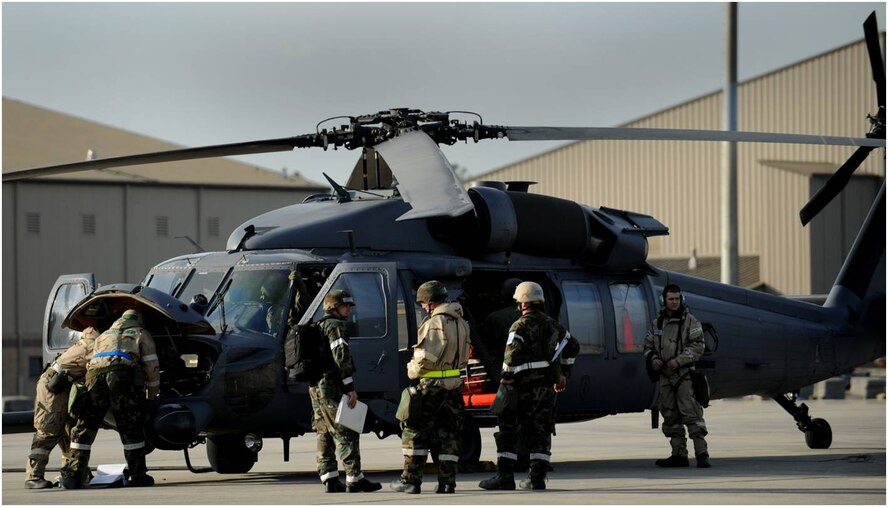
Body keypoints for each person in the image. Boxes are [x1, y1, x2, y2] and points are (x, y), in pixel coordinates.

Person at [479, 281, 579, 491]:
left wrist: (505, 380)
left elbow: (510, 356)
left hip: (521, 389)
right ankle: (537, 478)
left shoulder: (519, 326)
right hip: (545, 390)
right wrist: (564, 374)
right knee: (540, 432)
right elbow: (573, 346)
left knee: (508, 430)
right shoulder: (553, 324)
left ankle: (505, 477)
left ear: (522, 303)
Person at [60, 309, 160, 489]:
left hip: (94, 376)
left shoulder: (103, 335)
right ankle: (138, 476)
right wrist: (151, 395)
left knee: (85, 425)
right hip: (120, 375)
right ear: (138, 320)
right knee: (130, 425)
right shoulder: (140, 333)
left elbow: (90, 362)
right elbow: (151, 366)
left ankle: (73, 476)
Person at [391, 281, 470, 495]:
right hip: (454, 386)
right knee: (450, 434)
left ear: (430, 302)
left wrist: (412, 369)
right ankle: (447, 483)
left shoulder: (435, 323)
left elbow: (425, 356)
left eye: (423, 304)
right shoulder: (461, 323)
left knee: (415, 431)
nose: (423, 308)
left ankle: (410, 480)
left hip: (432, 385)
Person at [310, 289, 381, 493]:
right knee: (346, 431)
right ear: (334, 306)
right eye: (345, 305)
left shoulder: (319, 325)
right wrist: (350, 387)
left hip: (316, 387)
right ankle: (354, 478)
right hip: (331, 386)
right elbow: (341, 356)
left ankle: (329, 478)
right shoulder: (336, 326)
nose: (349, 309)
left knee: (323, 431)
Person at [642, 283, 710, 468]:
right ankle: (679, 454)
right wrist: (654, 358)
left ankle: (702, 454)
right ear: (664, 300)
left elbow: (698, 346)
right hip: (665, 377)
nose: (674, 302)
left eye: (677, 299)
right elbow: (647, 347)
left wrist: (679, 361)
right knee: (670, 416)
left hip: (684, 376)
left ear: (682, 299)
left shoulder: (691, 321)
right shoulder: (657, 323)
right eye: (671, 299)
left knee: (692, 414)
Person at [25, 327, 101, 489]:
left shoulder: (86, 344)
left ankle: (73, 473)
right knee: (49, 430)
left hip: (65, 387)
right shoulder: (92, 346)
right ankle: (33, 476)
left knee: (70, 432)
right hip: (53, 388)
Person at [479, 278, 523, 365]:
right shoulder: (542, 316)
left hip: (504, 366)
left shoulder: (495, 318)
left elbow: (484, 344)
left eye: (503, 291)